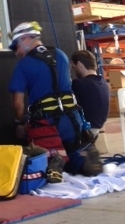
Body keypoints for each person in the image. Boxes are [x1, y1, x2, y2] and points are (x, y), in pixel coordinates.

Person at [8, 21, 102, 177]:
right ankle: (80, 161)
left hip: (46, 123)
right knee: (74, 156)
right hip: (73, 120)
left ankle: (53, 161)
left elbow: (18, 102)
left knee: (39, 157)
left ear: (25, 39)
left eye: (16, 46)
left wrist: (20, 124)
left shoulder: (23, 64)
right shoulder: (61, 54)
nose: (16, 52)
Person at [71, 49, 110, 136]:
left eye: (74, 67)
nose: (74, 71)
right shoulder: (103, 83)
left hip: (85, 130)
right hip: (97, 128)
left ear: (79, 65)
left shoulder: (79, 84)